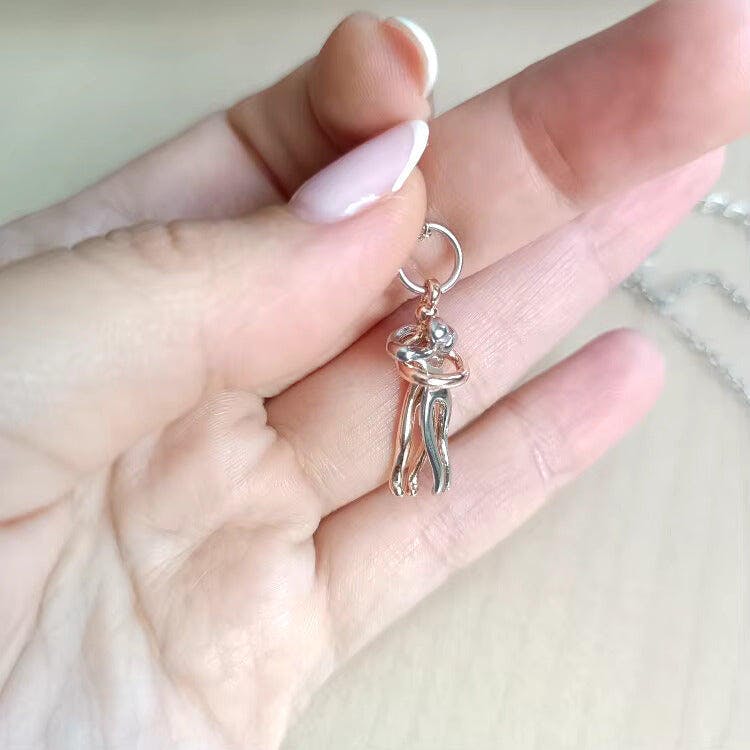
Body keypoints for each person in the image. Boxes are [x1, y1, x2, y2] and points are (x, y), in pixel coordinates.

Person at [0, 3, 747, 748]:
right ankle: (415, 473)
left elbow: (442, 361)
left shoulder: (431, 339)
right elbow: (420, 359)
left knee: (429, 444)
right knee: (411, 443)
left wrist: (436, 365)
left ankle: (425, 474)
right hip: (419, 392)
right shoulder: (420, 342)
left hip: (430, 396)